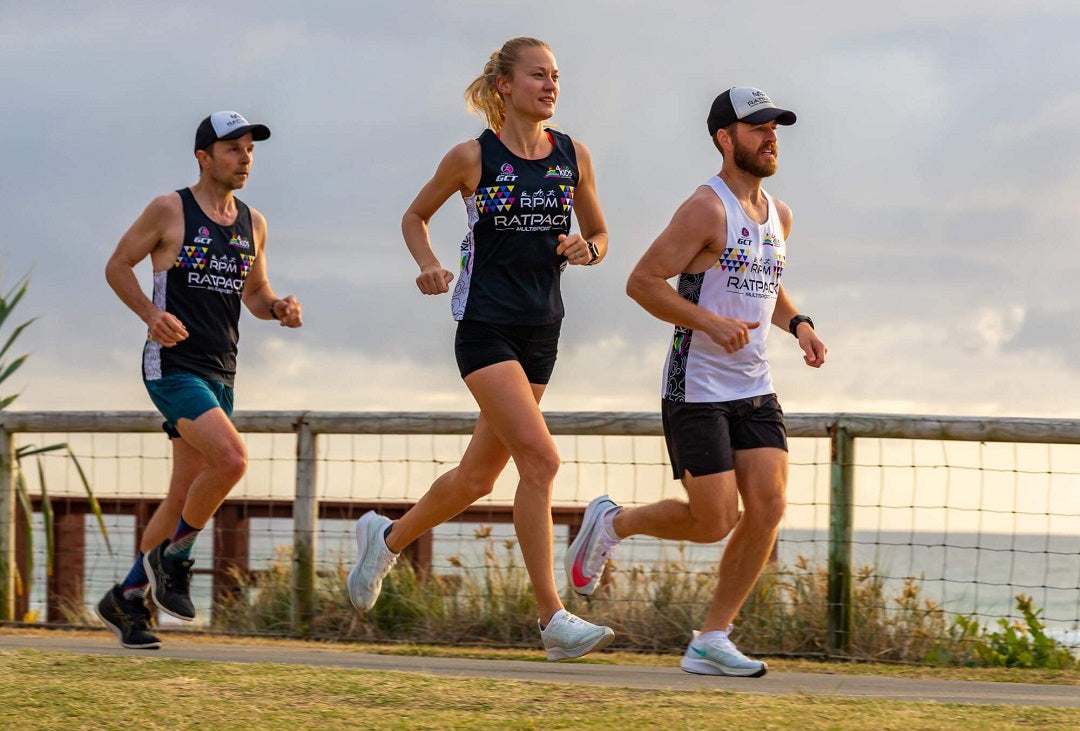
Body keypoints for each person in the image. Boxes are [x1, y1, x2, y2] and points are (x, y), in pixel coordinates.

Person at [346, 37, 614, 661]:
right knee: (541, 461)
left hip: (543, 329)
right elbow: (414, 217)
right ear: (504, 85)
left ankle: (386, 541)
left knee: (477, 478)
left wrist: (588, 250)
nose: (550, 86)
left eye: (556, 76)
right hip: (485, 326)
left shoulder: (573, 156)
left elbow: (600, 233)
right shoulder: (473, 156)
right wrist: (428, 264)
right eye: (538, 75)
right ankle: (552, 620)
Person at [564, 87, 827, 676]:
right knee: (713, 521)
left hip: (755, 386)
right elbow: (642, 282)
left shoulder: (779, 215)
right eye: (758, 128)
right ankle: (614, 522)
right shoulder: (705, 209)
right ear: (724, 138)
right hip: (698, 386)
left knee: (768, 507)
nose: (771, 137)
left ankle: (711, 638)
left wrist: (799, 324)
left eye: (775, 127)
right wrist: (709, 322)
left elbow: (765, 281)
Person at [95, 111, 303, 649]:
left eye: (250, 149)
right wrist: (150, 314)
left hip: (221, 371)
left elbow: (254, 293)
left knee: (181, 495)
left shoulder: (253, 223)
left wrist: (278, 308)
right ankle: (176, 558)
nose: (245, 158)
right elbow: (118, 265)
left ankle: (127, 599)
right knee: (231, 460)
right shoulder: (170, 209)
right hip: (172, 365)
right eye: (233, 149)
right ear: (203, 157)